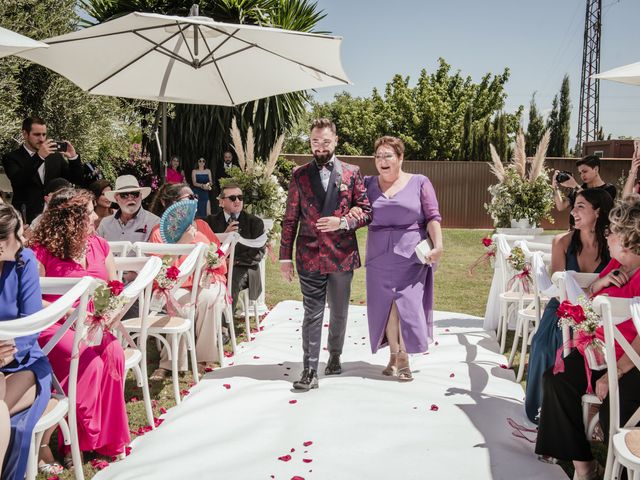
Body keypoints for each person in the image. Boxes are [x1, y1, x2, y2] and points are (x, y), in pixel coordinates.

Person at [535, 194, 640, 480]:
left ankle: (620, 469)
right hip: (600, 355)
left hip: (630, 364)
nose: (606, 236)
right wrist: (603, 281)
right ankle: (584, 466)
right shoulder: (616, 266)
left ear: (629, 237)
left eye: (612, 232)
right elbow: (589, 293)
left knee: (611, 416)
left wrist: (615, 372)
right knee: (556, 380)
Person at [29, 187, 130, 465]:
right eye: (88, 214)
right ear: (69, 218)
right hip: (55, 326)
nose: (96, 218)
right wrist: (71, 315)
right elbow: (32, 300)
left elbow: (114, 289)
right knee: (88, 363)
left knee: (113, 356)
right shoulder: (40, 252)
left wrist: (106, 316)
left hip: (93, 324)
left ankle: (105, 442)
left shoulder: (100, 245)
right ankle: (72, 440)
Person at [279, 118, 372, 390]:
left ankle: (335, 354)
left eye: (325, 142)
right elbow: (290, 218)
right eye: (315, 142)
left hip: (342, 255)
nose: (319, 147)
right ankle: (309, 369)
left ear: (336, 141)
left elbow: (367, 211)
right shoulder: (299, 174)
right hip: (309, 254)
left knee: (339, 310)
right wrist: (285, 257)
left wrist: (342, 222)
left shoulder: (352, 172)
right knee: (312, 312)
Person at [524, 189, 613, 423]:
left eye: (580, 206)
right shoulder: (562, 242)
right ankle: (542, 409)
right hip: (562, 307)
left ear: (598, 211)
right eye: (574, 206)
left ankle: (589, 411)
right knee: (543, 344)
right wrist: (595, 287)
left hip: (599, 312)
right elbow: (559, 288)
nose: (573, 211)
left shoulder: (613, 246)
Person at [359, 136, 443, 381]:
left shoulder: (419, 182)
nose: (382, 161)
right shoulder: (366, 184)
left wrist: (438, 246)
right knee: (387, 306)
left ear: (400, 158)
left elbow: (433, 217)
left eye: (388, 156)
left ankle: (405, 357)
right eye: (378, 156)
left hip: (411, 255)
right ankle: (394, 355)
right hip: (378, 256)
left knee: (408, 303)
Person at [148, 183, 228, 378]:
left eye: (194, 197)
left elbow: (220, 258)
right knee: (181, 305)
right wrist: (180, 244)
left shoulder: (202, 226)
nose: (194, 201)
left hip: (206, 280)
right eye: (188, 198)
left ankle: (203, 357)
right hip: (177, 285)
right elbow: (160, 271)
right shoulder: (159, 232)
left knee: (209, 300)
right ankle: (171, 362)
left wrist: (212, 261)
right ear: (172, 204)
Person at [0, 205, 55, 479]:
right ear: (0, 244)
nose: (24, 241)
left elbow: (31, 323)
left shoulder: (25, 260)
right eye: (18, 235)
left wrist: (8, 354)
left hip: (22, 362)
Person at [1, 117, 84, 223]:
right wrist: (39, 157)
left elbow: (77, 180)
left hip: (53, 216)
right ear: (25, 134)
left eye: (44, 134)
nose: (41, 139)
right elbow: (18, 180)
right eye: (37, 135)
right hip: (25, 218)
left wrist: (73, 158)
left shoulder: (55, 157)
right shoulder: (11, 157)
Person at [206, 183, 266, 317]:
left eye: (240, 197)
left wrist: (233, 262)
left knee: (230, 278)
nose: (237, 201)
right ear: (221, 202)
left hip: (244, 267)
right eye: (233, 198)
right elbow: (206, 246)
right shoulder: (210, 221)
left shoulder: (254, 222)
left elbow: (258, 253)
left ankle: (224, 327)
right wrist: (224, 234)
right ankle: (203, 322)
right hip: (216, 266)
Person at [553, 155, 617, 226]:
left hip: (596, 233)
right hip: (575, 232)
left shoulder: (609, 189)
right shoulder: (578, 189)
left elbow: (594, 204)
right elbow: (561, 206)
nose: (582, 175)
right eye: (580, 173)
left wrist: (575, 186)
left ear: (596, 169)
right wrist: (555, 188)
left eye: (585, 171)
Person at [97, 175, 160, 244]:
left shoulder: (155, 223)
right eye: (124, 195)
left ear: (141, 196)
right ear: (116, 198)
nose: (130, 198)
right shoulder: (105, 224)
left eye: (135, 194)